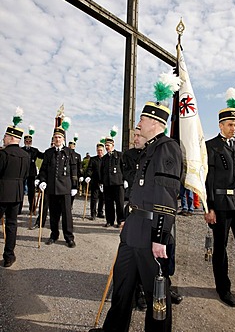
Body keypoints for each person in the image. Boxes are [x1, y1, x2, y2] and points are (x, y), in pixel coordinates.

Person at [89, 100, 182, 332]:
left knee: (155, 294)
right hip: (133, 227)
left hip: (151, 231)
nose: (138, 124)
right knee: (122, 285)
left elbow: (166, 194)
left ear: (154, 122)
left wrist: (160, 236)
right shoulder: (148, 149)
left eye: (142, 119)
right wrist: (127, 218)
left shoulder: (167, 147)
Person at [205, 98, 235, 307]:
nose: (234, 128)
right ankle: (224, 290)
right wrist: (209, 207)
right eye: (230, 124)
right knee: (220, 250)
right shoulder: (211, 146)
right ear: (221, 125)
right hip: (220, 205)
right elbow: (208, 180)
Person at [38, 126, 78, 248]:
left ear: (64, 139)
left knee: (67, 215)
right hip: (52, 188)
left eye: (59, 137)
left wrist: (74, 186)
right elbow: (43, 169)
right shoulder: (48, 153)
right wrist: (42, 180)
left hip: (65, 188)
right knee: (54, 214)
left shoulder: (69, 152)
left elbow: (74, 170)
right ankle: (53, 234)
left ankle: (69, 237)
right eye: (55, 137)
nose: (57, 139)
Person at [0, 120, 29, 267]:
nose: (3, 138)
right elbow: (26, 175)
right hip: (17, 193)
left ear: (11, 138)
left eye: (5, 136)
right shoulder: (25, 155)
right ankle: (9, 256)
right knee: (12, 225)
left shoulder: (3, 154)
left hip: (2, 192)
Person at [100, 137, 124, 228]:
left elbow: (123, 168)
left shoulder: (119, 155)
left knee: (119, 203)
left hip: (118, 183)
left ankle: (120, 221)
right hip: (107, 183)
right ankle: (109, 221)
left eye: (108, 145)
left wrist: (125, 180)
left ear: (113, 145)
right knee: (108, 203)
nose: (106, 147)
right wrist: (101, 182)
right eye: (105, 145)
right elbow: (102, 171)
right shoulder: (104, 158)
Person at [20, 131, 44, 213]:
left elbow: (43, 156)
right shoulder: (21, 150)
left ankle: (32, 208)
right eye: (27, 141)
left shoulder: (35, 150)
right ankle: (18, 209)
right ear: (24, 141)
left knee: (31, 192)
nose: (28, 142)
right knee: (20, 191)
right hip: (22, 173)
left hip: (31, 173)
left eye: (30, 141)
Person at [85, 143, 105, 220]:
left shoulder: (106, 159)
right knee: (94, 198)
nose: (99, 152)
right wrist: (88, 176)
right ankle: (93, 214)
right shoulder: (93, 159)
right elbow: (89, 169)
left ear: (103, 151)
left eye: (101, 150)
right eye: (98, 150)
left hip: (104, 182)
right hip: (95, 181)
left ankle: (100, 212)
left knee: (102, 199)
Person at [68, 137, 84, 207]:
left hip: (74, 176)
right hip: (66, 175)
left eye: (73, 144)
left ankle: (70, 205)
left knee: (73, 193)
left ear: (74, 146)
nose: (71, 146)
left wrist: (81, 175)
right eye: (70, 144)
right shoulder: (66, 154)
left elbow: (79, 167)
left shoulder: (77, 155)